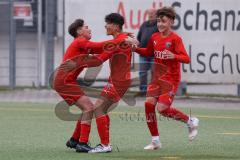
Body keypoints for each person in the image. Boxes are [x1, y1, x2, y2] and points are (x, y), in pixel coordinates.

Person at [127, 7, 199, 150]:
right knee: (148, 105)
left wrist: (174, 56)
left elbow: (186, 58)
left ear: (171, 22)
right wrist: (134, 48)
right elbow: (147, 52)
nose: (160, 24)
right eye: (159, 21)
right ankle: (155, 141)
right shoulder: (155, 37)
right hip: (157, 78)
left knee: (162, 109)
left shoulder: (175, 39)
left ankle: (190, 120)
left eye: (163, 21)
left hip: (171, 79)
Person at [53, 19, 129, 153]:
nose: (90, 29)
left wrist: (120, 40)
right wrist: (121, 41)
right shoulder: (80, 42)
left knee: (86, 108)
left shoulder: (81, 45)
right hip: (64, 82)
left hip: (65, 81)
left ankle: (75, 140)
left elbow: (97, 60)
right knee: (88, 107)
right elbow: (101, 47)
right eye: (86, 27)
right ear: (79, 31)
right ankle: (82, 143)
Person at [88, 13, 134, 153]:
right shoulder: (122, 38)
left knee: (98, 108)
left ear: (115, 26)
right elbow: (103, 51)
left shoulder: (118, 42)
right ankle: (105, 144)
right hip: (117, 80)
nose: (105, 26)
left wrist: (80, 60)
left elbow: (100, 59)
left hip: (118, 81)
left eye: (107, 23)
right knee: (101, 109)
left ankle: (105, 144)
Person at [136, 9, 158, 96]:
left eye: (153, 13)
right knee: (142, 72)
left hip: (154, 54)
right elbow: (139, 37)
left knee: (154, 72)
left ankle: (153, 91)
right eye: (149, 13)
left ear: (156, 15)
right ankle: (143, 90)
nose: (150, 15)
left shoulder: (159, 25)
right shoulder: (144, 25)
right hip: (143, 53)